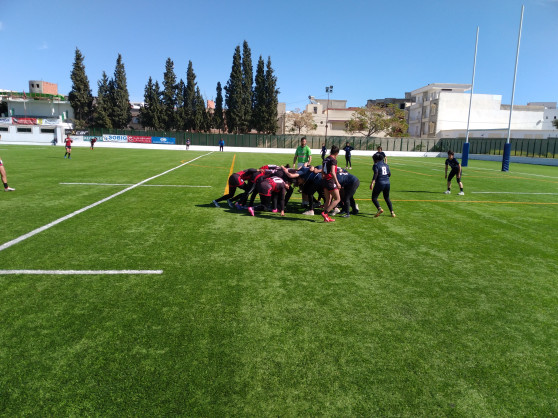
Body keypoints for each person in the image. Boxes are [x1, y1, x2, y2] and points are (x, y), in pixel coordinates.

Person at [370, 153, 395, 218]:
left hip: (380, 183)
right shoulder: (386, 165)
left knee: (374, 198)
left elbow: (376, 173)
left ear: (376, 159)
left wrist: (372, 183)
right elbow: (389, 174)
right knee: (387, 198)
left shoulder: (376, 165)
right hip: (387, 183)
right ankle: (392, 212)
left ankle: (379, 209)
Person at [321, 145, 341, 222]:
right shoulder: (333, 160)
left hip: (325, 180)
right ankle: (325, 213)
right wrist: (337, 183)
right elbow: (333, 172)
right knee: (337, 199)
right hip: (330, 180)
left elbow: (322, 171)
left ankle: (326, 218)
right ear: (336, 153)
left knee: (328, 200)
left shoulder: (326, 159)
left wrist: (323, 176)